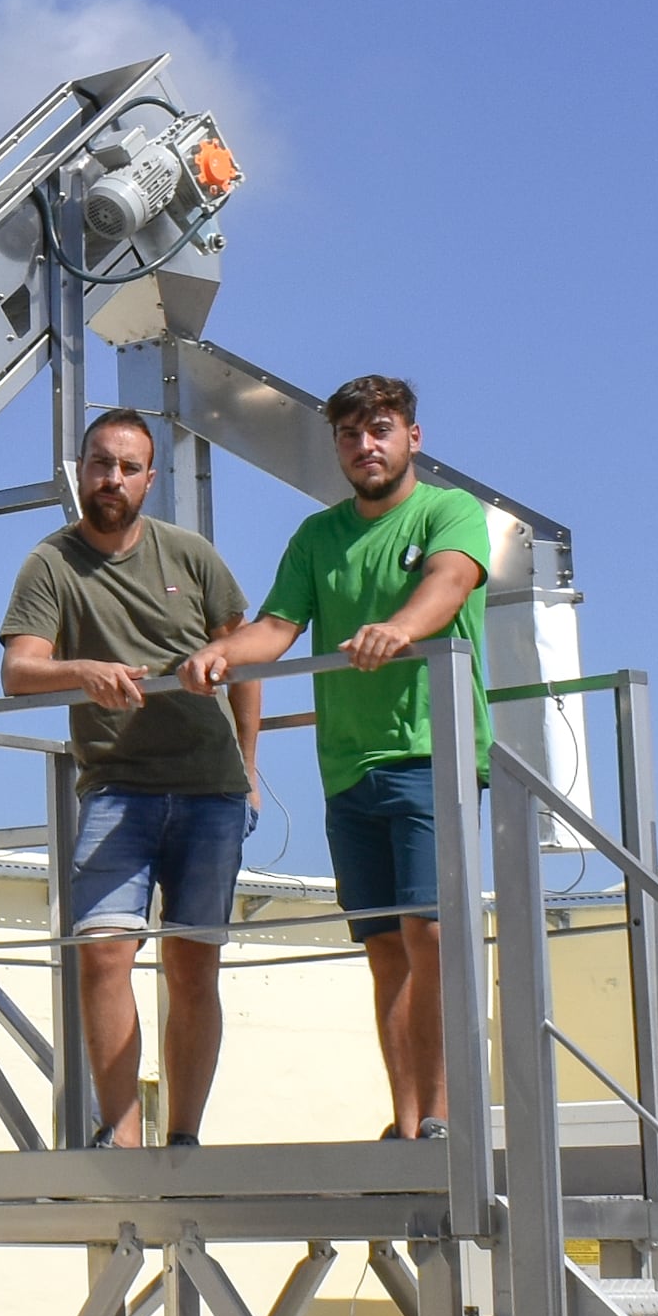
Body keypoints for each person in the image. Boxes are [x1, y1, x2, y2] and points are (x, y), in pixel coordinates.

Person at [182, 375, 491, 1144]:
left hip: (431, 753)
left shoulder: (449, 511)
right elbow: (275, 629)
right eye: (350, 435)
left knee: (431, 934)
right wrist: (220, 654)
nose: (365, 445)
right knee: (385, 948)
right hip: (348, 767)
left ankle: (448, 1115)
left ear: (412, 437)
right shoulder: (317, 537)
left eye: (380, 429)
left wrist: (397, 627)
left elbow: (449, 583)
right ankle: (411, 1116)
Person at [0, 408, 265, 1147]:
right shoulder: (49, 563)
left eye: (125, 466)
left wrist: (249, 770)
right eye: (98, 463)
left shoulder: (191, 555)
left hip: (210, 786)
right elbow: (18, 668)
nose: (110, 478)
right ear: (79, 469)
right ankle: (119, 1137)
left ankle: (183, 1138)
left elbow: (239, 654)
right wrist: (79, 670)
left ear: (150, 478)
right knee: (104, 954)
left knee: (191, 964)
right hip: (118, 787)